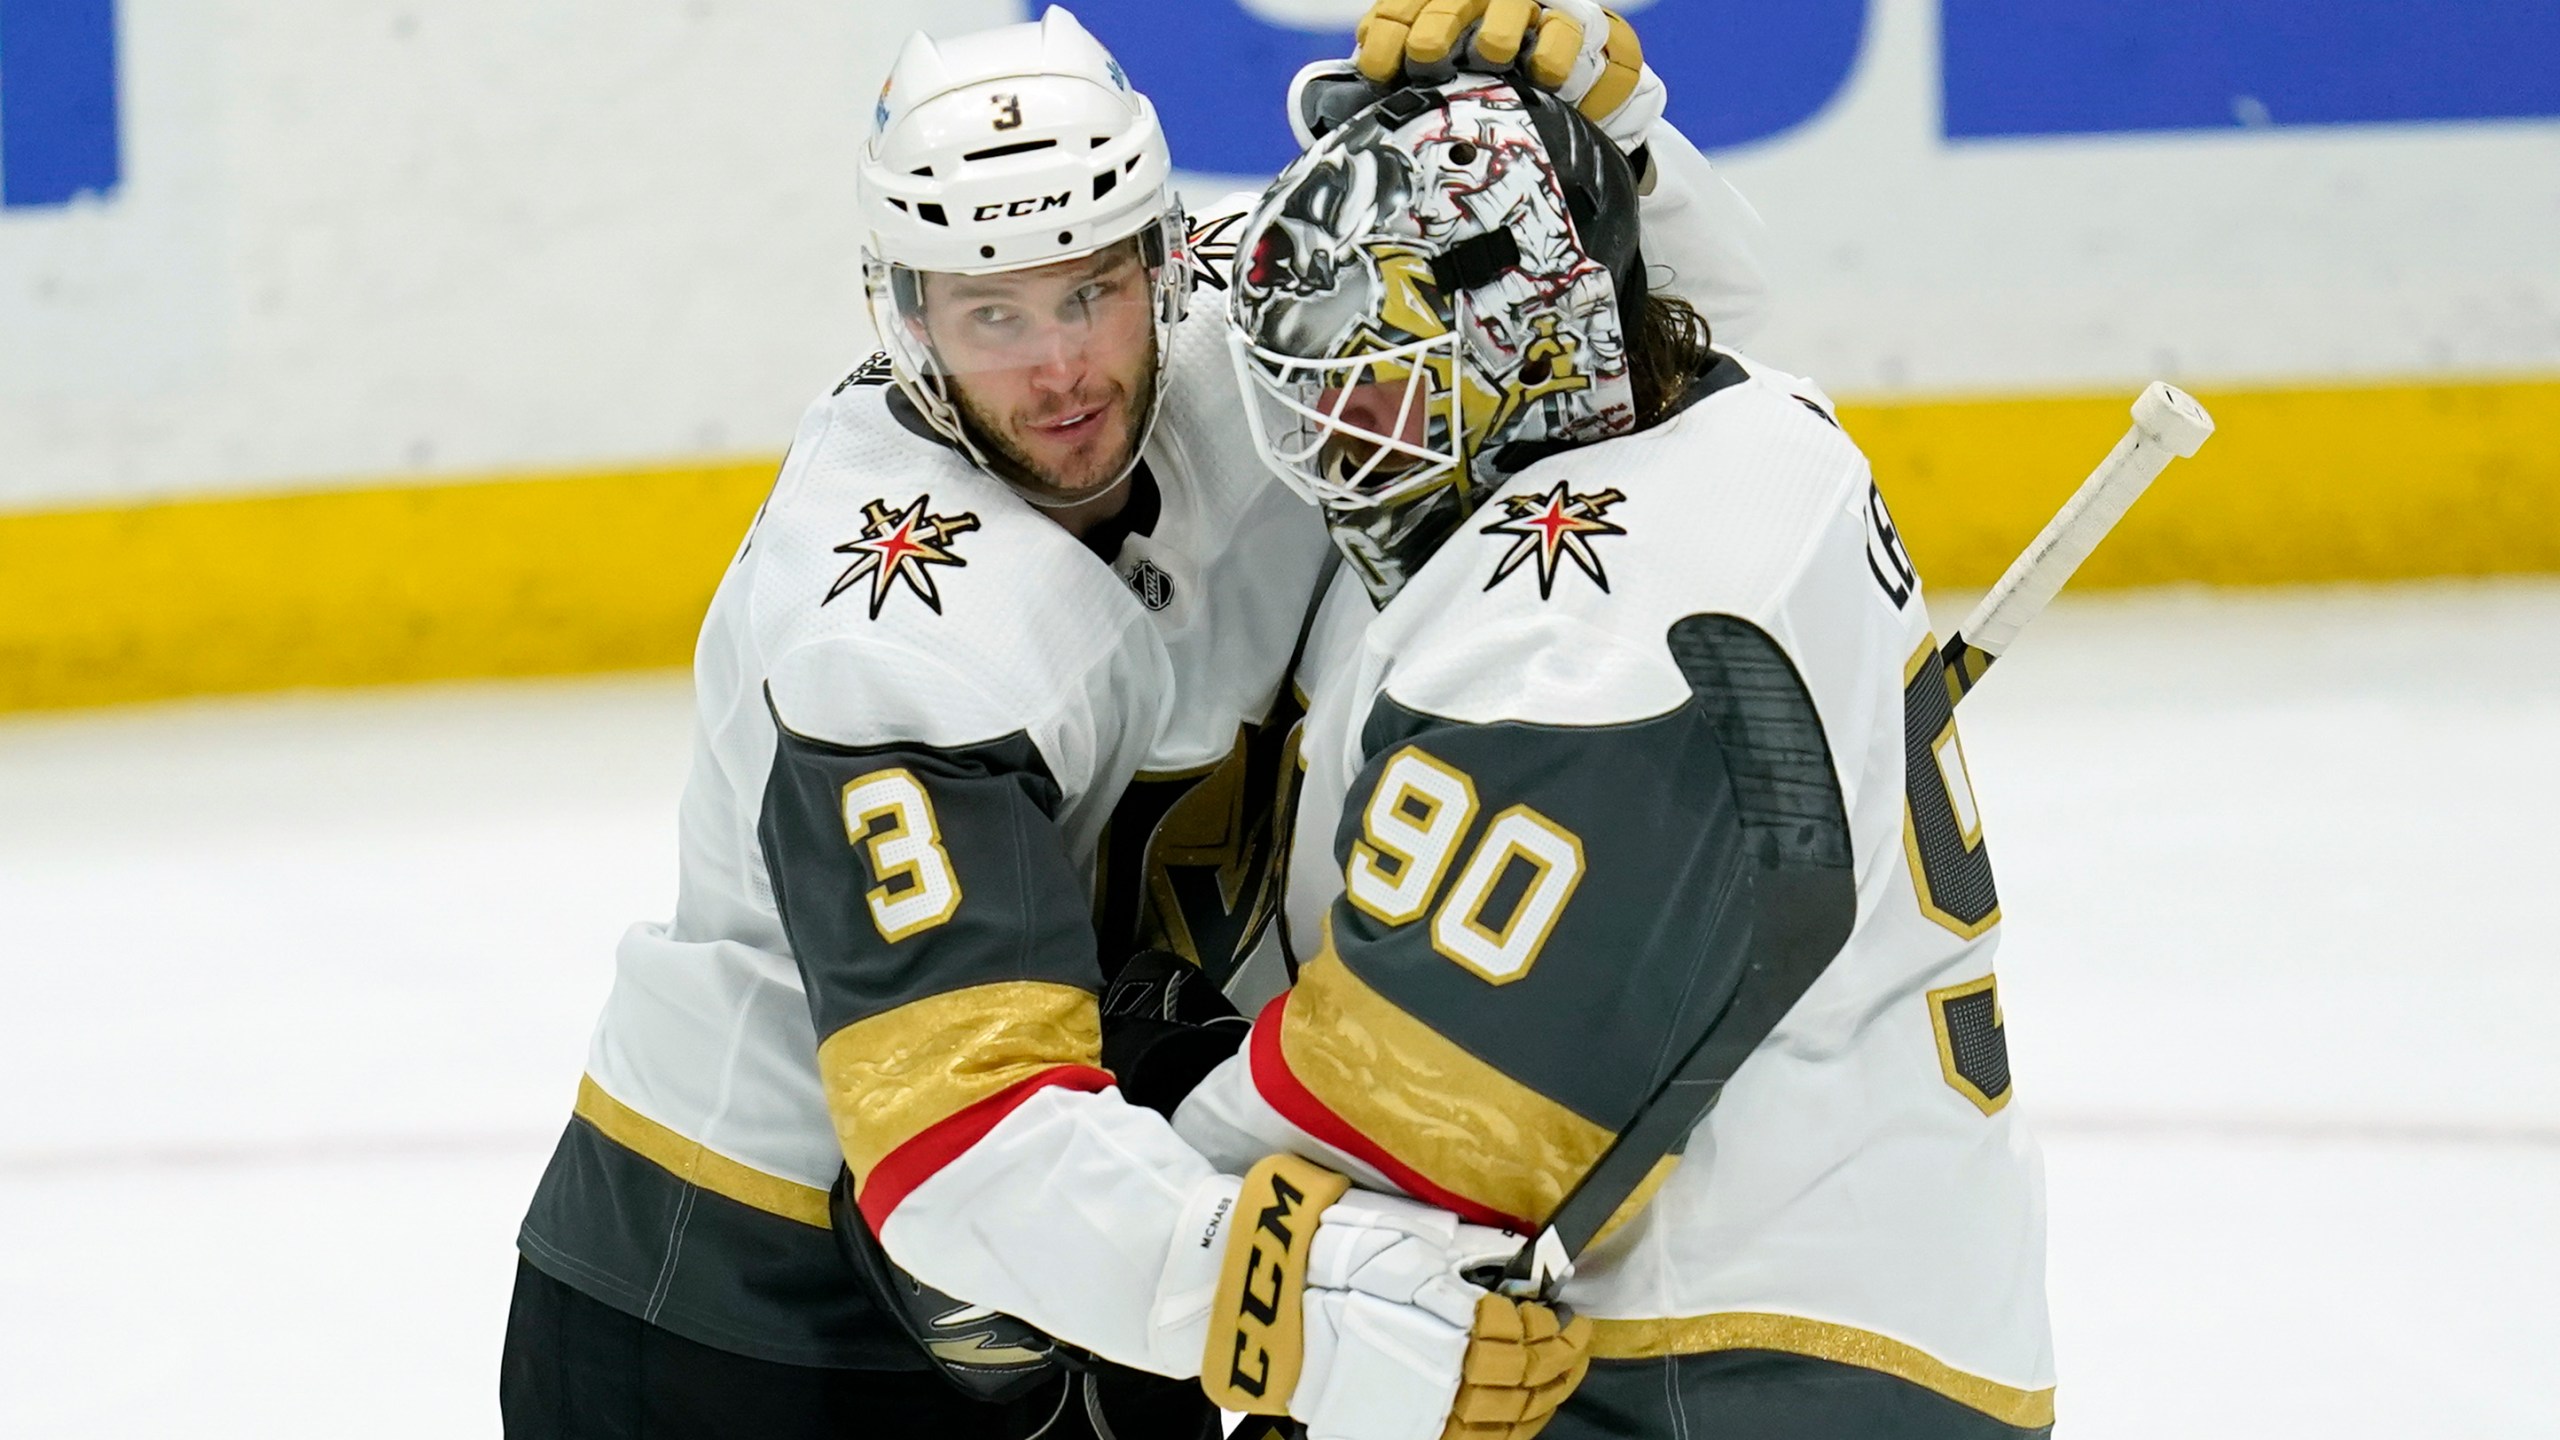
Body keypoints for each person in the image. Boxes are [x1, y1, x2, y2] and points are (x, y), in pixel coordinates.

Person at [501, 7, 1773, 1438]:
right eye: (994, 316)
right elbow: (958, 1129)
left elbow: (1659, 366)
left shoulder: (1282, 323)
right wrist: (1311, 1316)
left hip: (1083, 1235)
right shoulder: (889, 627)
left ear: (1169, 259)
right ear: (906, 313)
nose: (1061, 373)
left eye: (1091, 294)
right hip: (741, 1309)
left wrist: (1612, 141)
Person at [1171, 72, 2058, 1440]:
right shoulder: (1754, 424)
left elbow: (1419, 1104)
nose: (1336, 447)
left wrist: (1115, 1167)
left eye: (1383, 393)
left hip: (1738, 1358)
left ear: (1535, 352)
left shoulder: (1577, 650)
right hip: (1859, 1306)